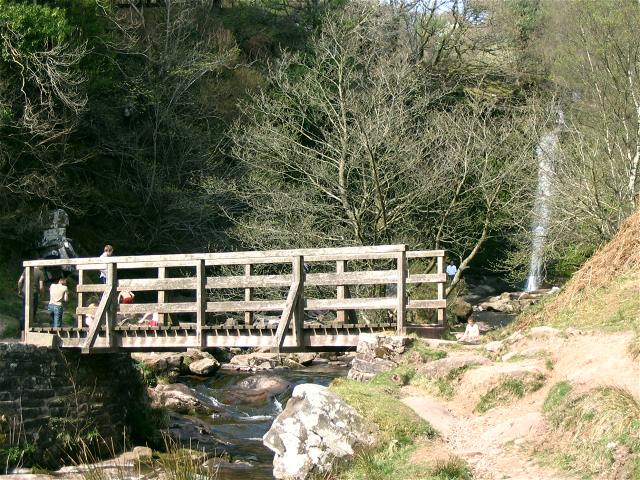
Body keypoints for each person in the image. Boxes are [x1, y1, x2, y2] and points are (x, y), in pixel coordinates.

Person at [17, 266, 45, 338]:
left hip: (24, 292)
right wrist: (42, 295)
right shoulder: (40, 273)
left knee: (24, 310)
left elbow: (20, 281)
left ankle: (22, 332)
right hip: (34, 293)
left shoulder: (26, 269)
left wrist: (20, 290)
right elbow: (41, 287)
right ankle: (29, 333)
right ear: (41, 266)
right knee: (32, 311)